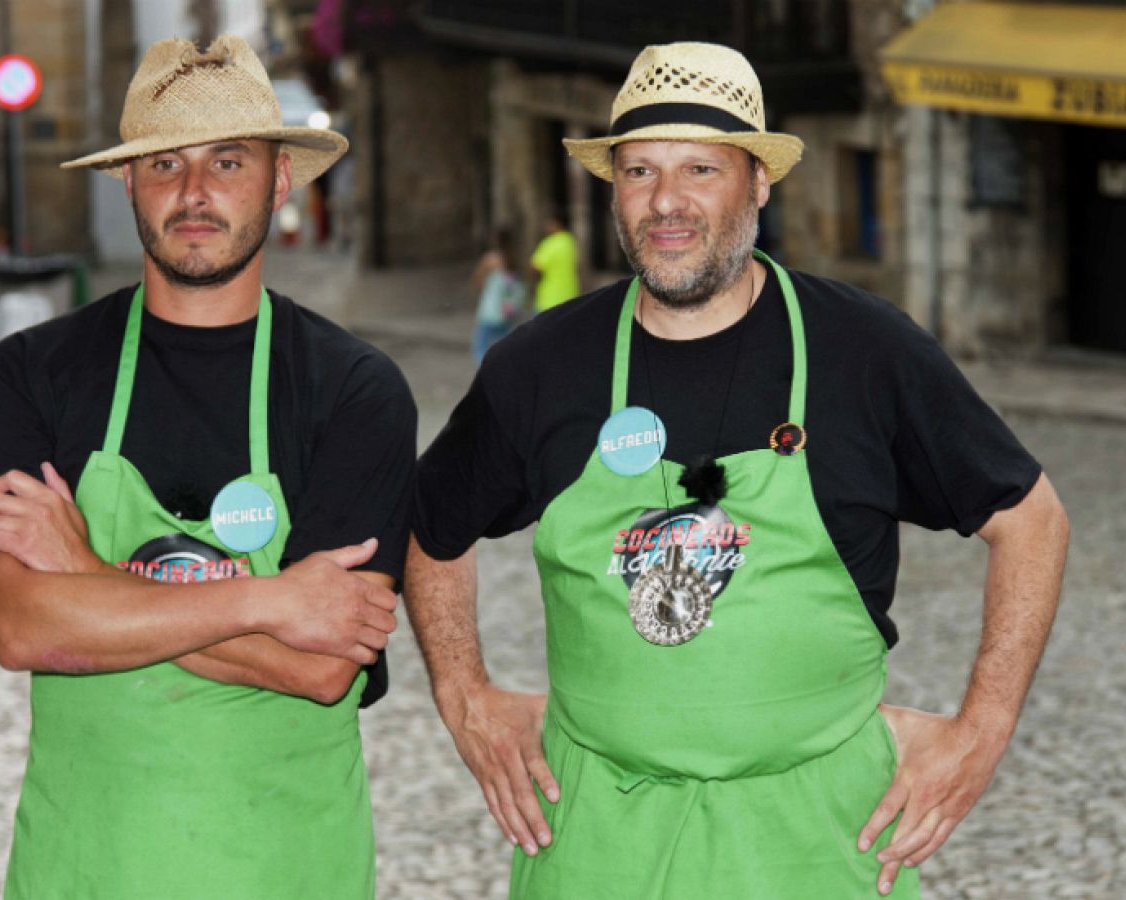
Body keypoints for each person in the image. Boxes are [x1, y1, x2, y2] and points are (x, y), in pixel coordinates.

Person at [404, 41, 1070, 899]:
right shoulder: (541, 366)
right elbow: (430, 526)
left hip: (819, 839)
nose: (667, 203)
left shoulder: (864, 352)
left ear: (759, 181)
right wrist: (466, 699)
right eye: (640, 171)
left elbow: (1031, 519)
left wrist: (982, 731)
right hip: (597, 836)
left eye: (700, 169)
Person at [0, 35, 415, 898]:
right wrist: (272, 601)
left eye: (228, 161)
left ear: (279, 179)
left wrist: (86, 577)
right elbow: (23, 627)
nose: (194, 192)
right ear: (128, 181)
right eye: (164, 162)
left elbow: (323, 669)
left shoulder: (355, 392)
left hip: (285, 870)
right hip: (87, 869)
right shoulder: (27, 376)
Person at [471, 228, 526, 364]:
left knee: (480, 346)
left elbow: (478, 280)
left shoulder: (491, 259)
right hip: (506, 311)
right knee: (505, 345)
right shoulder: (514, 258)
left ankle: (485, 374)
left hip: (490, 309)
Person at [529, 215, 580, 313]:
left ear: (556, 224)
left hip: (549, 299)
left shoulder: (551, 242)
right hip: (570, 296)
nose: (546, 227)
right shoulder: (569, 241)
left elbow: (534, 268)